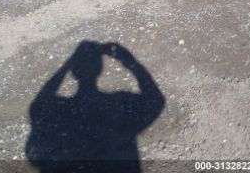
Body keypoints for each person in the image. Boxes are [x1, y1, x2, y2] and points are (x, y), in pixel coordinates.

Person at [26, 41, 165, 173]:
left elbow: (39, 104)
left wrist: (67, 65)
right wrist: (128, 60)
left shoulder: (59, 111)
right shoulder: (119, 106)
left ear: (74, 73)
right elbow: (156, 100)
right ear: (100, 70)